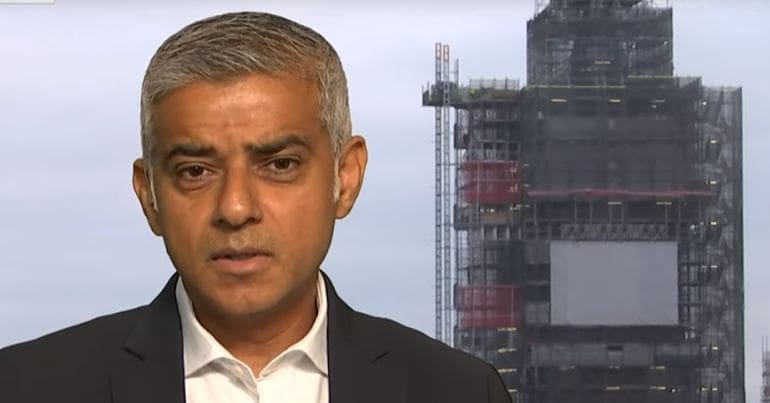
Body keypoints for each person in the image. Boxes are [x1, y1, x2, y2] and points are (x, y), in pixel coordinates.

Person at [0, 11, 510, 403]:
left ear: (346, 178)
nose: (236, 208)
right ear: (148, 195)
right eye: (195, 171)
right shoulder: (26, 387)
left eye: (280, 164)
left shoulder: (459, 391)